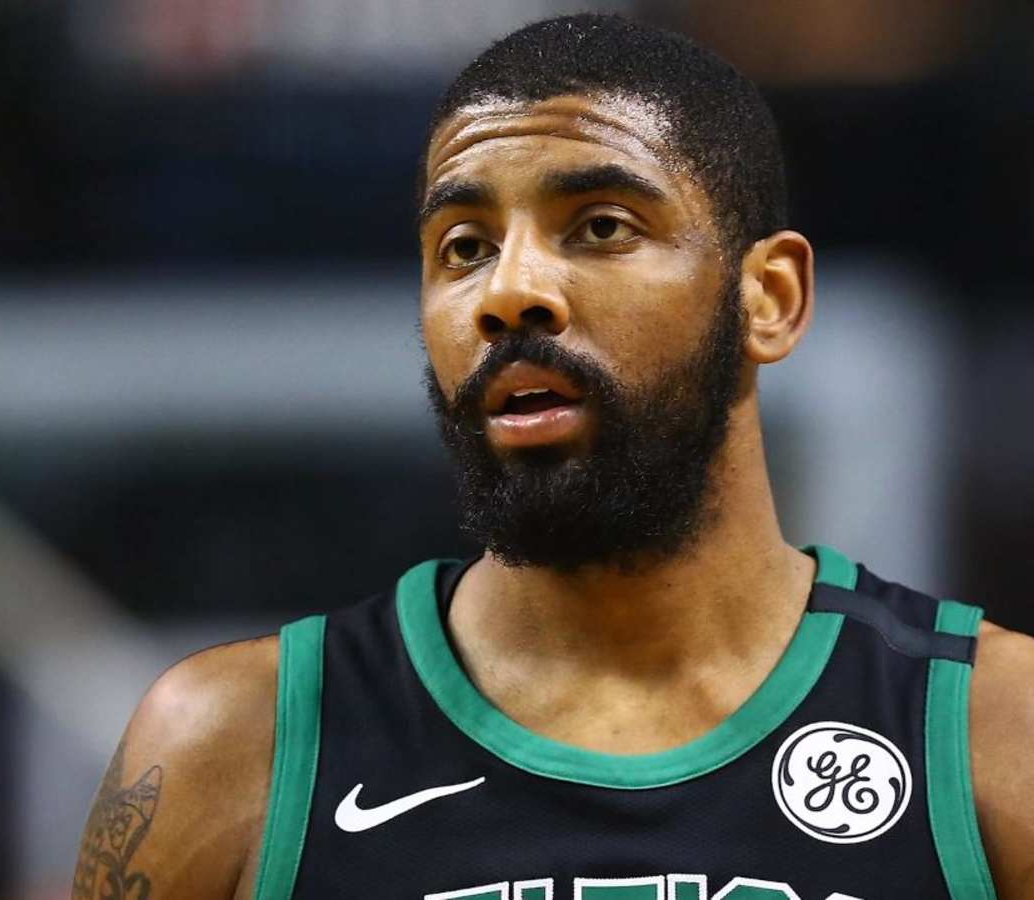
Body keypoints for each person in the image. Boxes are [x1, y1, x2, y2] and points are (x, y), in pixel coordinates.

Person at [71, 14, 1034, 900]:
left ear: (770, 298)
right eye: (463, 247)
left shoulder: (999, 733)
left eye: (602, 227)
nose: (509, 291)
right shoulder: (233, 746)